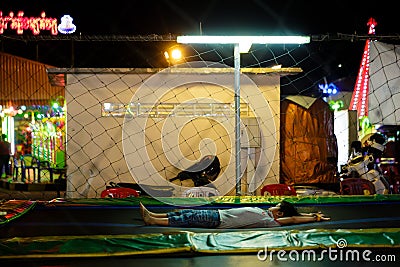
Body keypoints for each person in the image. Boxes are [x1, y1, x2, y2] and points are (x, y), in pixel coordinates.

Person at [139, 200, 330, 228]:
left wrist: (314, 218)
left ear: (279, 213)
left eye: (275, 206)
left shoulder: (269, 221)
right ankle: (155, 216)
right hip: (218, 213)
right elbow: (295, 213)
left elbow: (294, 218)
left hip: (218, 220)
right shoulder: (264, 213)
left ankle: (153, 221)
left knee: (188, 219)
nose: (272, 206)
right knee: (187, 213)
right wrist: (312, 212)